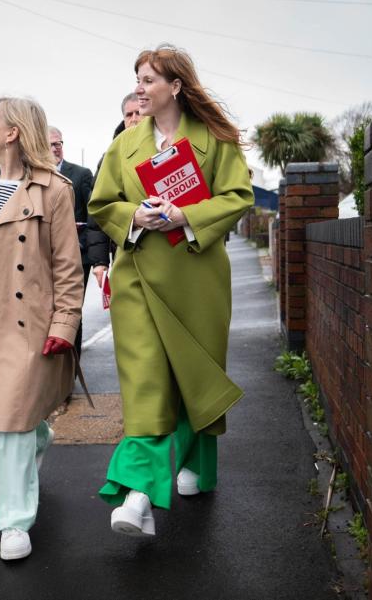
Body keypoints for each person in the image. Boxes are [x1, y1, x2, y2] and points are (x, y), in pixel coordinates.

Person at [89, 44, 254, 537]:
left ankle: (201, 468)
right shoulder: (124, 145)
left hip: (198, 276)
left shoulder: (216, 139)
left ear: (176, 86)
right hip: (138, 276)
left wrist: (186, 216)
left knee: (194, 378)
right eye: (138, 79)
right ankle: (138, 495)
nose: (140, 88)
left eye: (149, 79)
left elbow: (239, 196)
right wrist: (133, 217)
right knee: (146, 383)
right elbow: (102, 203)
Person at [0, 97, 82, 561]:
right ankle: (40, 434)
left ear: (14, 132)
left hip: (27, 320)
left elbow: (68, 266)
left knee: (8, 424)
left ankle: (14, 521)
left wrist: (66, 321)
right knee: (19, 420)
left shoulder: (55, 189)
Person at [85, 92, 143, 289]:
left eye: (139, 112)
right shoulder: (110, 157)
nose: (134, 119)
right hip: (124, 251)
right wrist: (100, 262)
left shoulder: (166, 148)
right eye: (129, 115)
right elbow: (98, 212)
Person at [48, 126, 94, 358]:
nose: (56, 148)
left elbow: (93, 214)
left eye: (59, 143)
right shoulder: (35, 176)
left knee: (71, 312)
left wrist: (84, 244)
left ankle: (72, 368)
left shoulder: (81, 174)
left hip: (78, 256)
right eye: (50, 144)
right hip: (46, 258)